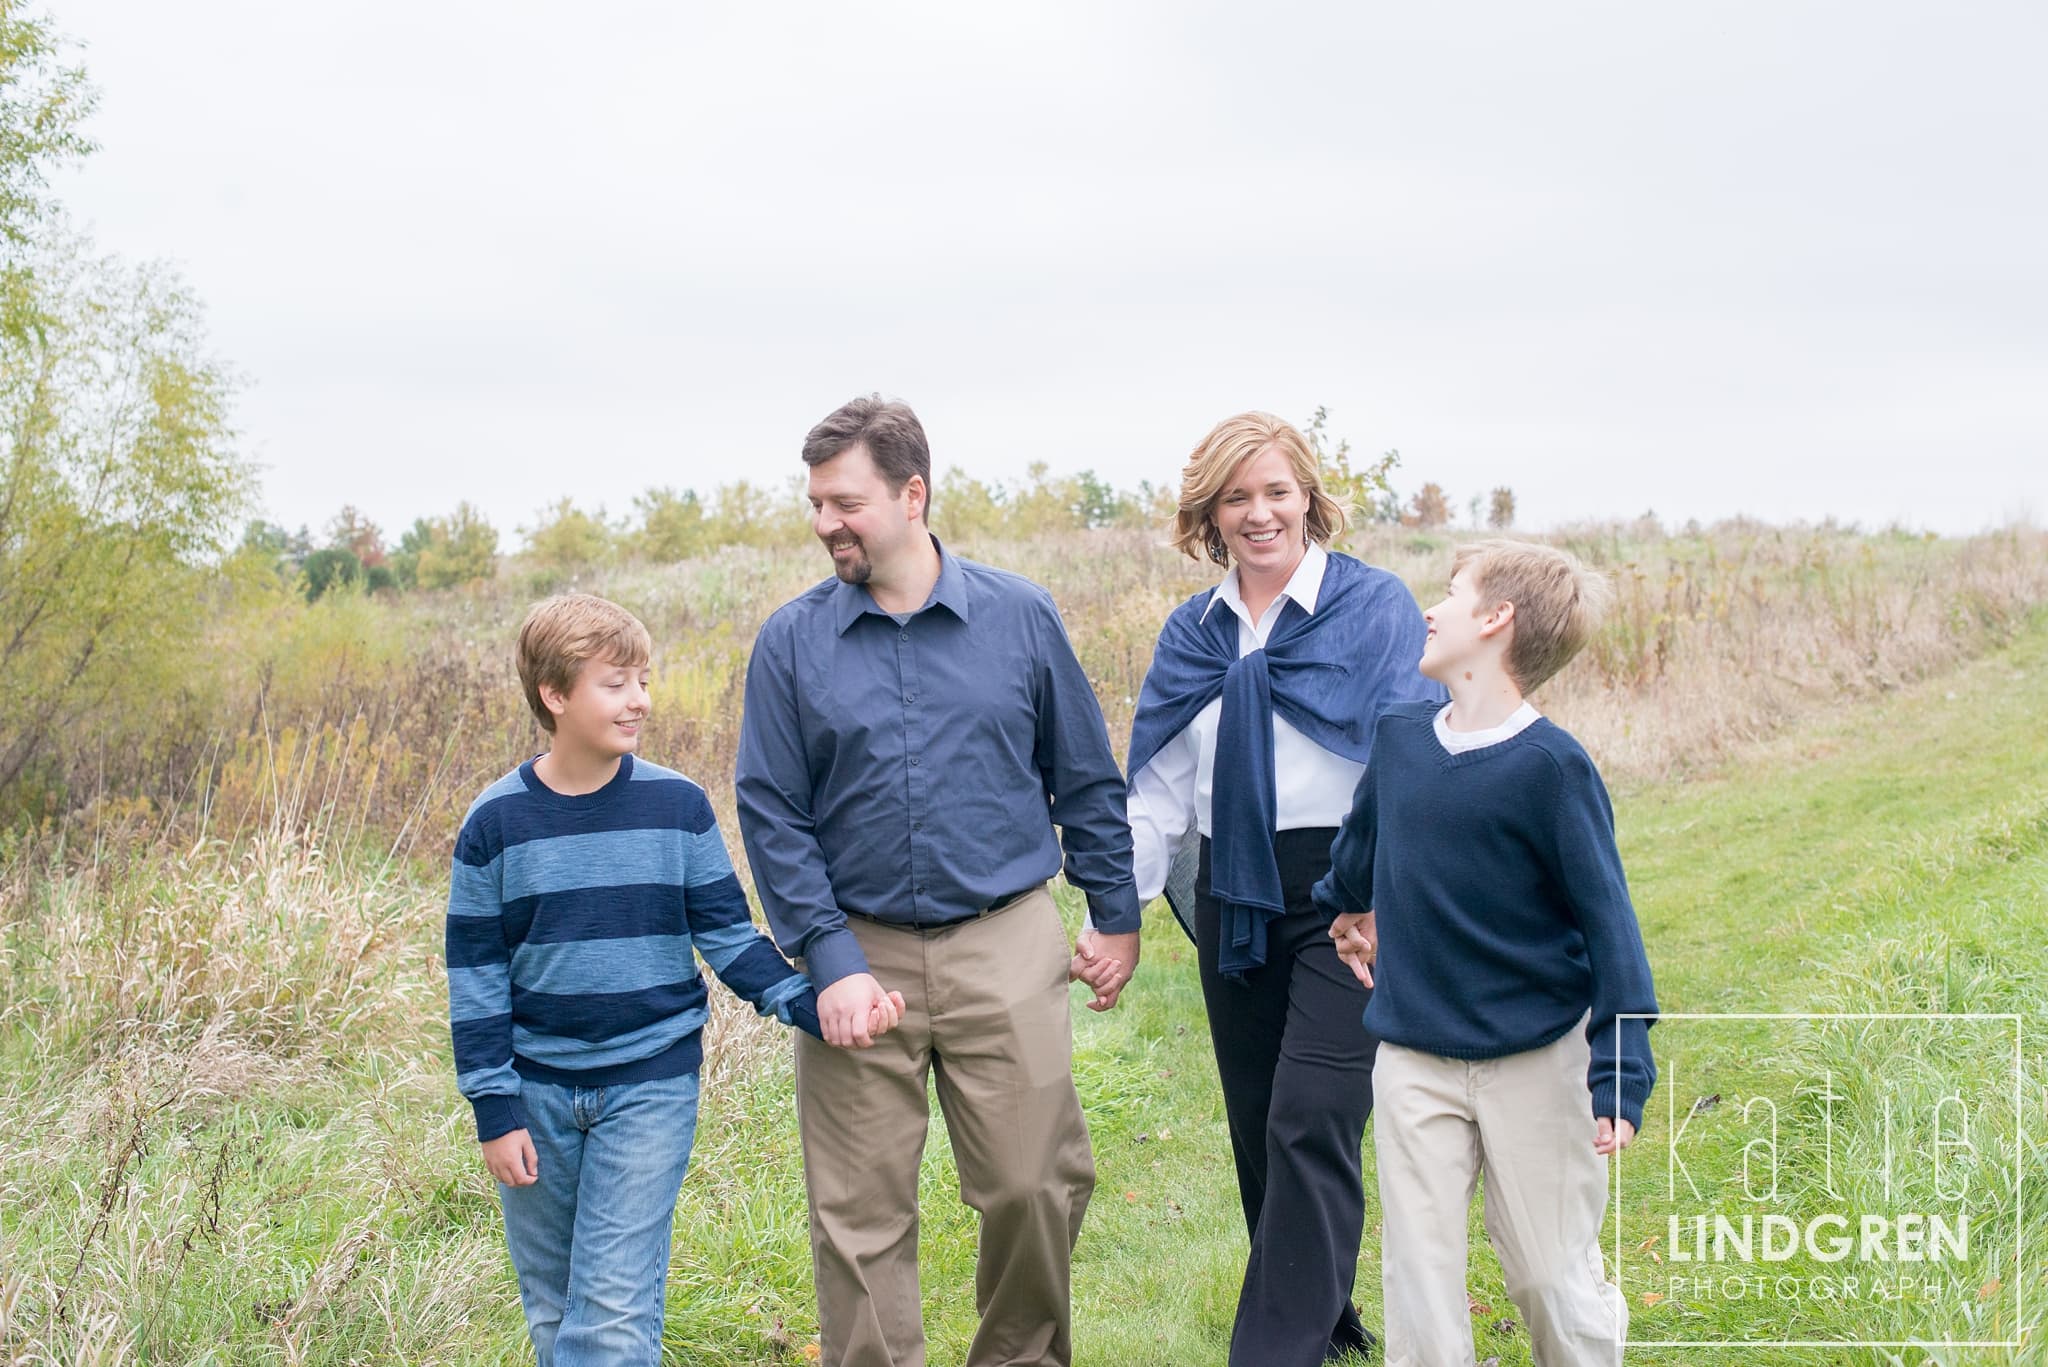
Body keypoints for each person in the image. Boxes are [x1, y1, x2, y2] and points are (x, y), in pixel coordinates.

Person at [735, 394, 1140, 1367]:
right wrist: (827, 961)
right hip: (856, 953)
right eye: (816, 502)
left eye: (846, 500)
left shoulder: (1019, 615)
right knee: (859, 1209)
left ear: (912, 493)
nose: (826, 521)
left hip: (1004, 939)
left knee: (1033, 1182)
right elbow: (772, 813)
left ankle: (1019, 1355)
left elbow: (1082, 776)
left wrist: (1115, 914)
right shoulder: (791, 644)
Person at [445, 593, 887, 1365]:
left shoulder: (676, 806)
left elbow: (727, 937)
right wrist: (494, 1106)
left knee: (609, 1314)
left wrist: (813, 1005)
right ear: (555, 694)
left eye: (644, 679)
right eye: (616, 682)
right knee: (555, 1312)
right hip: (537, 1094)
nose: (640, 699)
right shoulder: (495, 822)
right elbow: (476, 977)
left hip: (650, 1086)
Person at [1122, 411, 1442, 1366]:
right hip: (1235, 893)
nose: (1259, 513)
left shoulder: (1373, 607)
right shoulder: (1195, 632)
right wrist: (1117, 914)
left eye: (1276, 491)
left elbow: (1412, 755)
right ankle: (1326, 1315)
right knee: (1262, 1123)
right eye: (1237, 497)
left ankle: (1271, 1349)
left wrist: (1385, 896)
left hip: (1347, 893)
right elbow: (1161, 791)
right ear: (1210, 516)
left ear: (1309, 497)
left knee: (1314, 1111)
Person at [1314, 539, 1659, 1367]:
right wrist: (1346, 907)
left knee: (1548, 1277)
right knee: (1421, 1281)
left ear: (1497, 619)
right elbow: (1362, 848)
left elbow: (1612, 928)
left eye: (1452, 591)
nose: (1430, 608)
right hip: (1413, 1056)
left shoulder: (1551, 768)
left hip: (1538, 1057)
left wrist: (1621, 1069)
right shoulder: (1400, 739)